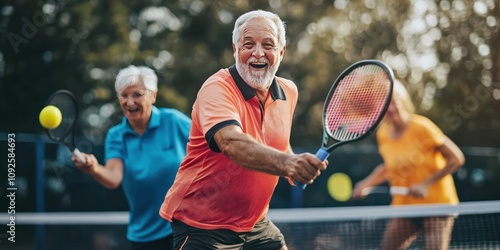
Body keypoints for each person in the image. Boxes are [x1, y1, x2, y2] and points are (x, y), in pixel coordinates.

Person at [159, 10, 328, 250]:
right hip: (202, 228)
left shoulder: (289, 92)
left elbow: (277, 141)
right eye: (248, 44)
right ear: (235, 49)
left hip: (255, 224)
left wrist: (294, 166)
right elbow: (231, 143)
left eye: (268, 45)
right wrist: (288, 164)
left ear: (281, 52)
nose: (258, 53)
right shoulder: (217, 88)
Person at [72, 65, 191, 250]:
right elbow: (113, 178)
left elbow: (210, 149)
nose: (129, 102)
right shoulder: (115, 136)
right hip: (144, 236)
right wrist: (94, 168)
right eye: (123, 95)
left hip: (187, 228)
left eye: (137, 94)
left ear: (153, 95)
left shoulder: (174, 121)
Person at [352, 79, 465, 250]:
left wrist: (426, 184)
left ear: (402, 101)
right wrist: (365, 184)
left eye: (393, 102)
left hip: (437, 205)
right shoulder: (383, 134)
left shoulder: (422, 127)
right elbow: (389, 168)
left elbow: (456, 158)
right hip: (404, 206)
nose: (390, 109)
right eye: (384, 106)